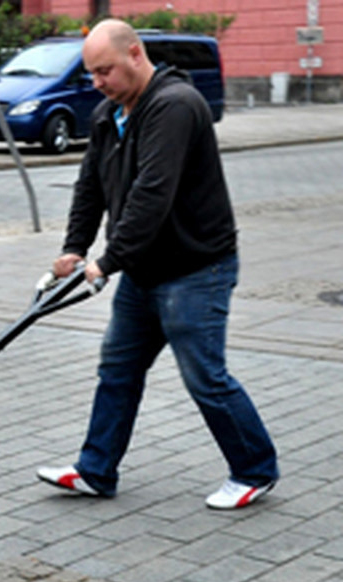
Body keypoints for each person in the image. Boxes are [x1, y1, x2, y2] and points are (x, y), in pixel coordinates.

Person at [36, 19, 279, 510]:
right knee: (118, 369)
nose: (98, 82)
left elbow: (153, 195)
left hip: (195, 268)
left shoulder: (174, 107)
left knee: (205, 377)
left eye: (105, 70)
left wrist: (108, 260)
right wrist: (75, 249)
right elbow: (91, 189)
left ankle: (255, 470)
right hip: (144, 270)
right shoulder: (110, 114)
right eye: (92, 74)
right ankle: (96, 470)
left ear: (135, 54)